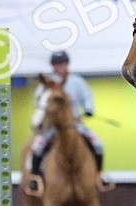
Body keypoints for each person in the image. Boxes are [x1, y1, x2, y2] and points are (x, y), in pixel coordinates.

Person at [30, 51, 104, 179]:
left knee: (98, 144)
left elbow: (87, 97)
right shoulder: (47, 83)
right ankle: (35, 177)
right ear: (53, 66)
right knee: (37, 147)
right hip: (52, 126)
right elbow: (38, 99)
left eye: (62, 64)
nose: (59, 67)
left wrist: (88, 110)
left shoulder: (77, 81)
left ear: (67, 64)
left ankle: (98, 176)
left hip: (73, 123)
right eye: (57, 65)